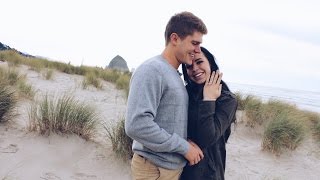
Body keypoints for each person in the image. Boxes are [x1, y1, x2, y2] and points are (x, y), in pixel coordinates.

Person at [125, 12, 208, 180]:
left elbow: (167, 120)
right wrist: (183, 146)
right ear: (175, 39)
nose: (198, 50)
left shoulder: (174, 74)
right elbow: (136, 125)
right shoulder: (152, 70)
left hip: (170, 170)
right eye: (194, 43)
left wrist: (185, 141)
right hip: (153, 170)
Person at [180, 47, 238, 180]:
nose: (194, 68)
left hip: (208, 174)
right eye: (189, 66)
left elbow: (207, 138)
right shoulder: (184, 93)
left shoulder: (227, 99)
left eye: (199, 62)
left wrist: (209, 99)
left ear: (210, 64)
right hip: (179, 169)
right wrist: (185, 141)